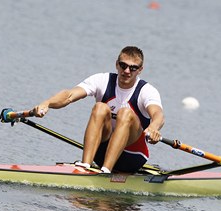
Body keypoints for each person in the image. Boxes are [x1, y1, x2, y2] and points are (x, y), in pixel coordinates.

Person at [33, 46, 164, 174]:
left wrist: (153, 127)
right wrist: (47, 103)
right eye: (123, 65)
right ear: (117, 64)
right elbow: (69, 95)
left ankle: (106, 171)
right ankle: (85, 166)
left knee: (126, 113)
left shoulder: (146, 90)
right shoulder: (102, 80)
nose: (127, 71)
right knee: (100, 107)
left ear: (140, 70)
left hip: (132, 157)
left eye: (133, 68)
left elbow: (158, 114)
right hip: (100, 153)